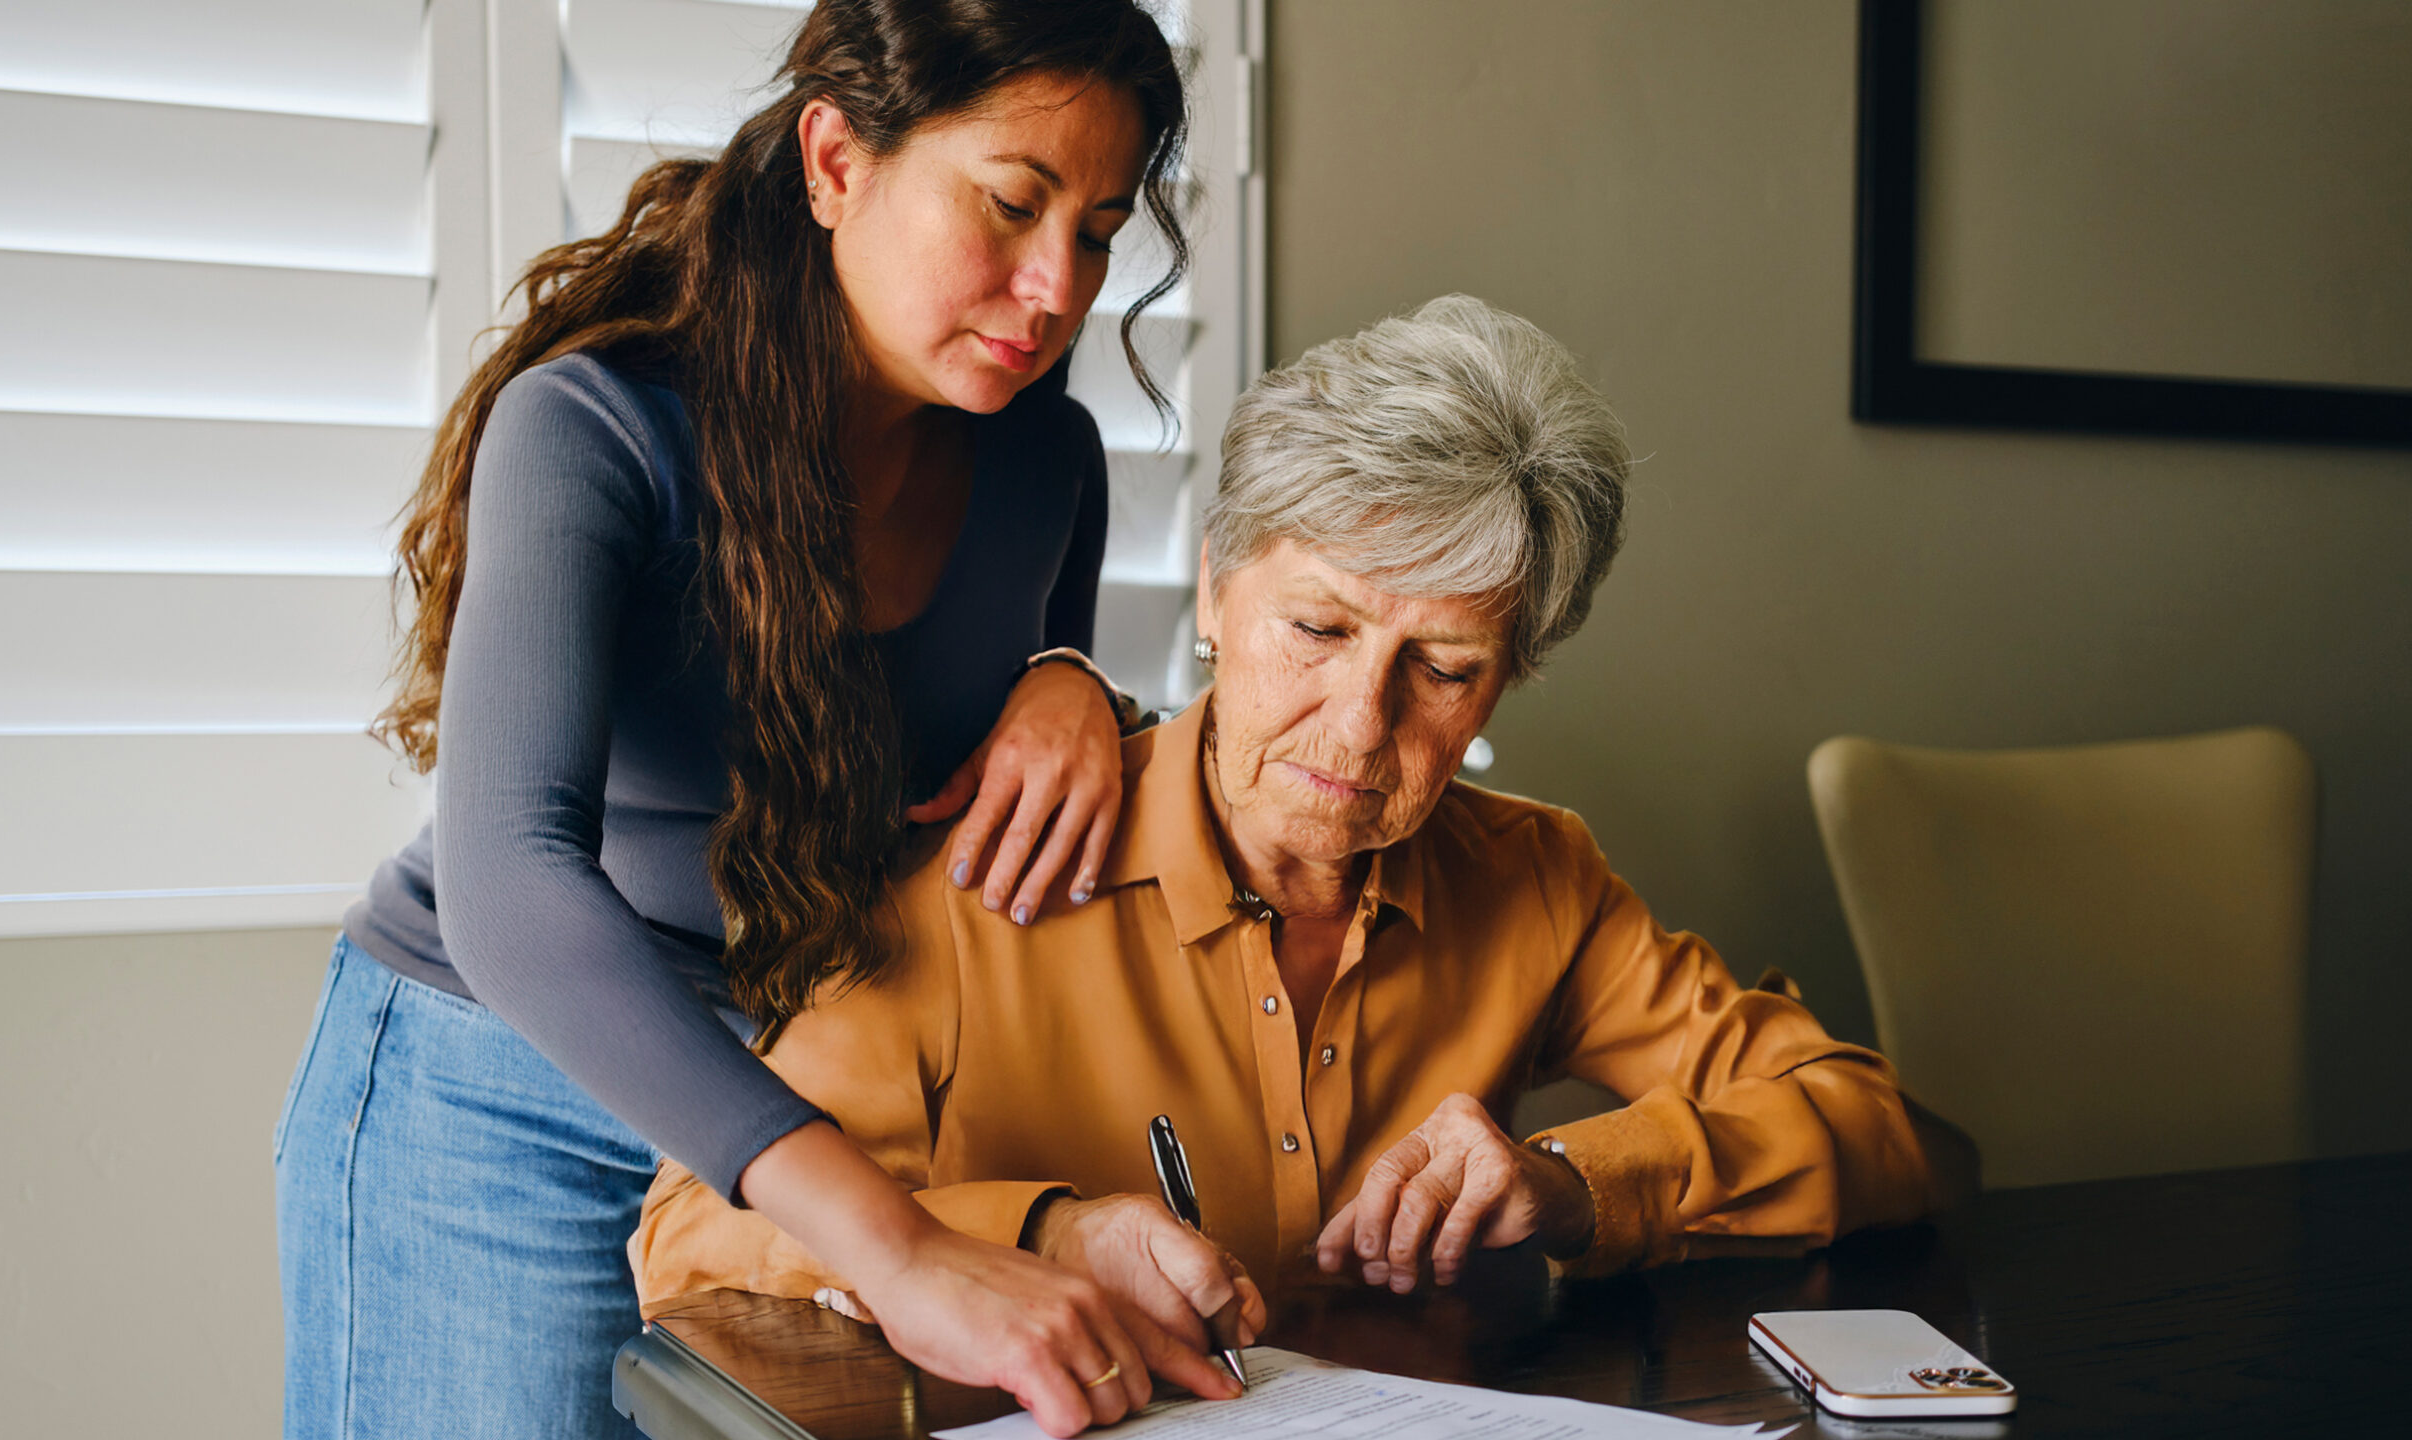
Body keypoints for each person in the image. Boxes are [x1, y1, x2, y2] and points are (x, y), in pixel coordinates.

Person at [629, 297, 1937, 1354]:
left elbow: (1867, 1127)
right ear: (1213, 588)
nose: (1361, 724)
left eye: (1444, 668)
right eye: (1318, 629)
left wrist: (1570, 1183)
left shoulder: (1539, 879)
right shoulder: (980, 876)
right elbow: (692, 1240)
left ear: (1512, 676)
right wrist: (1045, 1236)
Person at [272, 4, 1236, 1438]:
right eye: (1011, 203)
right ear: (836, 162)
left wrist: (1078, 687)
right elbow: (508, 875)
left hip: (818, 1082)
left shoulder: (1051, 462)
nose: (1056, 287)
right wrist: (898, 1248)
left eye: (1097, 231)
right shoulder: (595, 429)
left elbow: (979, 829)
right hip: (497, 1099)